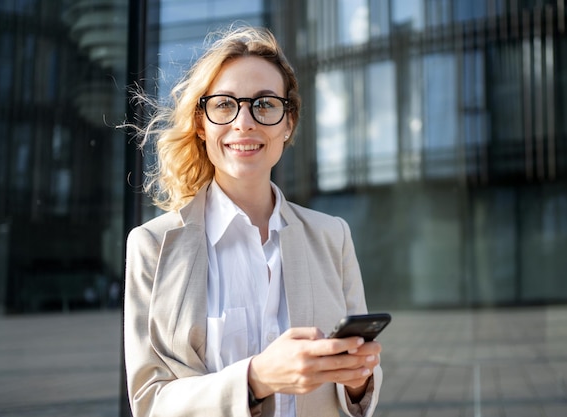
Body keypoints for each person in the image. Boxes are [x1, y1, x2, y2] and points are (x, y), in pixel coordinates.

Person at [123, 26, 383, 417]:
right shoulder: (152, 246)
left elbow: (362, 392)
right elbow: (150, 402)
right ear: (201, 123)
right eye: (225, 105)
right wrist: (257, 378)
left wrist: (359, 379)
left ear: (287, 123)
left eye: (264, 104)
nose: (244, 122)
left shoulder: (332, 236)